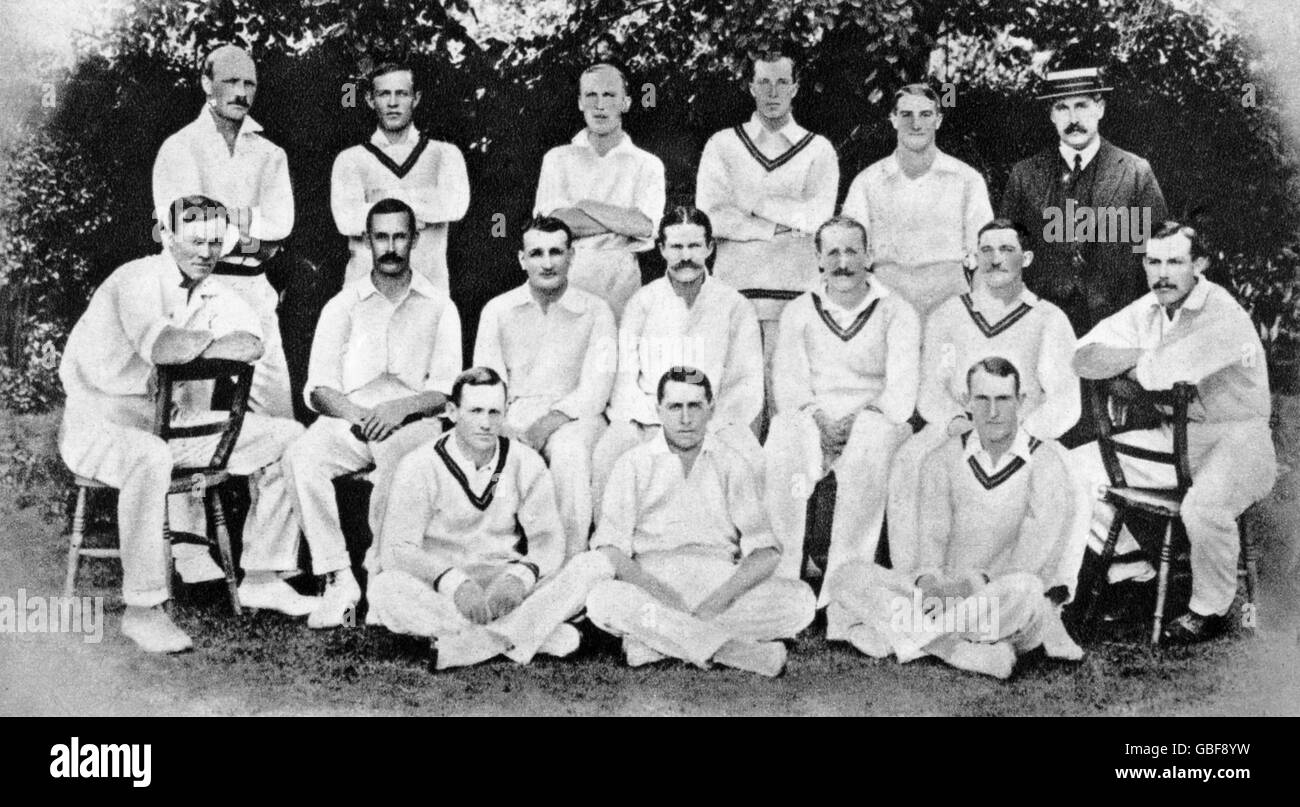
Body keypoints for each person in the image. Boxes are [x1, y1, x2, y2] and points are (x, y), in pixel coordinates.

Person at [58, 196, 312, 653]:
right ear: (167, 236)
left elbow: (251, 344)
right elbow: (164, 348)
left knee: (288, 438)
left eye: (215, 241)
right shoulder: (134, 279)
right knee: (150, 455)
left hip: (167, 421)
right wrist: (211, 342)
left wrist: (197, 342)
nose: (205, 251)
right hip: (98, 422)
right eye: (194, 240)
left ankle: (263, 574)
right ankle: (143, 610)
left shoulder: (217, 290)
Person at [1067, 221, 1276, 643]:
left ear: (1199, 264)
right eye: (1153, 261)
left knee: (1202, 507)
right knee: (1075, 467)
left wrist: (1134, 363)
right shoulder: (1147, 308)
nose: (1162, 273)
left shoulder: (1223, 312)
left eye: (1175, 261)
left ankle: (1209, 608)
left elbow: (1161, 374)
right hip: (1175, 437)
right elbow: (1083, 357)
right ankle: (1132, 572)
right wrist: (1143, 357)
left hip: (1238, 439)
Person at [826, 358, 1084, 679]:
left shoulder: (1045, 463)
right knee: (847, 576)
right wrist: (931, 583)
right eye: (982, 399)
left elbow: (1031, 561)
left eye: (1003, 399)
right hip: (948, 600)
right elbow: (931, 548)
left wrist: (970, 586)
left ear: (1021, 402)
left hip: (1000, 601)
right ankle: (962, 651)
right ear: (966, 402)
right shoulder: (942, 459)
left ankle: (907, 637)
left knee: (1029, 591)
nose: (993, 412)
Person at [283, 198, 461, 629]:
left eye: (400, 236)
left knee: (398, 465)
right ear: (366, 241)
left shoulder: (440, 306)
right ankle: (338, 579)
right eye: (381, 237)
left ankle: (383, 583)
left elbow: (445, 389)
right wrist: (361, 417)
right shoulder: (342, 306)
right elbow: (319, 387)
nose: (391, 247)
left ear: (415, 239)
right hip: (353, 419)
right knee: (301, 456)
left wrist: (399, 409)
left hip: (414, 423)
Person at [367, 367, 616, 669]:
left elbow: (549, 540)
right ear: (452, 411)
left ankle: (475, 643)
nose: (486, 424)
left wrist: (521, 577)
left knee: (596, 565)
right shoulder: (419, 464)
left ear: (506, 411)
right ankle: (525, 634)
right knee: (385, 589)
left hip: (504, 586)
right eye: (475, 411)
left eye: (494, 412)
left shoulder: (525, 461)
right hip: (446, 590)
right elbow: (398, 549)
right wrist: (453, 582)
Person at [585, 367, 816, 676]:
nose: (685, 418)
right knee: (603, 599)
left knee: (800, 602)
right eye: (675, 407)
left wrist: (718, 600)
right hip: (654, 581)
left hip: (717, 581)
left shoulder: (731, 462)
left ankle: (657, 643)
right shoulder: (633, 464)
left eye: (694, 406)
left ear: (711, 410)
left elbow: (766, 551)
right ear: (659, 411)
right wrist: (657, 591)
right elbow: (611, 549)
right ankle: (733, 651)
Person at [887, 219, 1079, 570]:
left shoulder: (1049, 319)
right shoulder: (949, 314)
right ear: (974, 258)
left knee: (1067, 475)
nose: (995, 259)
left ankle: (1043, 596)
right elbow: (931, 389)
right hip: (961, 427)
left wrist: (1020, 433)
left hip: (1023, 432)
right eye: (986, 250)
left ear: (1027, 258)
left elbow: (1066, 402)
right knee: (909, 460)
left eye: (1007, 249)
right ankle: (915, 580)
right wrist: (957, 422)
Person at [763, 217, 920, 594]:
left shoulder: (897, 311)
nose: (843, 262)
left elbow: (901, 390)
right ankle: (782, 583)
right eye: (832, 252)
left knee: (871, 437)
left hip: (876, 423)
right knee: (784, 435)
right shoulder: (799, 310)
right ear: (818, 259)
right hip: (815, 422)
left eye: (852, 250)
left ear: (869, 256)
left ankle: (844, 589)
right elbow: (789, 385)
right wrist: (818, 421)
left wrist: (858, 422)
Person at [152, 43, 295, 420]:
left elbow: (282, 225)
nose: (241, 92)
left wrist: (222, 221)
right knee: (189, 407)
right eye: (230, 80)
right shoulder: (180, 147)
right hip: (199, 289)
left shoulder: (270, 153)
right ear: (206, 83)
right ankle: (188, 477)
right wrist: (252, 233)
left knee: (277, 409)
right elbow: (186, 227)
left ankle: (269, 481)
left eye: (250, 83)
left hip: (255, 288)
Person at [695, 50, 839, 418]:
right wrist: (777, 225)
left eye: (781, 82)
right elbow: (711, 218)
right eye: (763, 82)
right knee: (737, 406)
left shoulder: (818, 149)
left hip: (795, 293)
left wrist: (750, 201)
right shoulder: (722, 144)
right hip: (734, 291)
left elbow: (817, 217)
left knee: (787, 404)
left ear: (795, 88)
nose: (772, 92)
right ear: (750, 87)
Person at [591, 206, 764, 509]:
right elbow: (625, 379)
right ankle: (610, 545)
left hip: (715, 419)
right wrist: (660, 422)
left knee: (751, 457)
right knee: (609, 452)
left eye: (695, 246)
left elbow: (746, 383)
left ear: (710, 247)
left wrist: (705, 422)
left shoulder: (734, 305)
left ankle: (745, 548)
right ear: (662, 249)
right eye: (677, 247)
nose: (686, 256)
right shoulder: (642, 302)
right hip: (648, 418)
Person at [473, 216, 617, 557]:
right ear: (522, 259)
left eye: (557, 252)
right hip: (513, 415)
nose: (548, 262)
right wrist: (506, 428)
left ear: (572, 256)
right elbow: (486, 379)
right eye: (537, 253)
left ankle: (569, 566)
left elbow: (597, 388)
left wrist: (545, 426)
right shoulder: (498, 309)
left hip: (577, 417)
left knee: (571, 455)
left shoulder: (597, 310)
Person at [1000, 66, 1167, 336]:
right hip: (1042, 326)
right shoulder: (1025, 175)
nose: (1073, 118)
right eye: (1063, 108)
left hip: (1118, 325)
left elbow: (1159, 255)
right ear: (1052, 115)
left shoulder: (1135, 173)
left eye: (1082, 105)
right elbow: (1006, 255)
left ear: (1100, 108)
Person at [841, 83, 993, 318]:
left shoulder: (967, 180)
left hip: (950, 306)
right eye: (906, 115)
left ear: (938, 120)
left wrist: (979, 318)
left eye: (925, 114)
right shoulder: (867, 182)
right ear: (893, 119)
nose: (916, 124)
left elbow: (985, 258)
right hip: (886, 305)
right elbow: (849, 255)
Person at [533, 62, 666, 321]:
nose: (600, 105)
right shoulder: (557, 158)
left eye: (609, 95)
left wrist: (585, 205)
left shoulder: (647, 164)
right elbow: (554, 225)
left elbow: (643, 225)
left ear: (626, 103)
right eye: (591, 95)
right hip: (567, 279)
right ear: (580, 102)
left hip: (622, 285)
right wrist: (620, 222)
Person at [330, 61, 470, 291]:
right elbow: (346, 221)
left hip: (428, 292)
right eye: (384, 94)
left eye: (402, 94)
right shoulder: (350, 159)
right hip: (366, 293)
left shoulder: (445, 153)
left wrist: (377, 209)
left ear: (415, 98)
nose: (393, 103)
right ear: (369, 99)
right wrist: (423, 205)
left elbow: (455, 207)